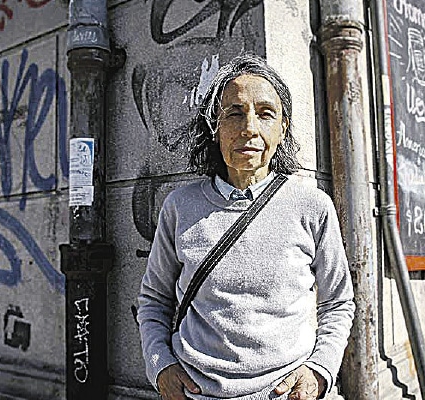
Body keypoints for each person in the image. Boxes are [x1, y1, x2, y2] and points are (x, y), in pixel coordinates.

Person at [137, 54, 355, 400]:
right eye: (234, 113)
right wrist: (160, 366)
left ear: (282, 128)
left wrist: (318, 371)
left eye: (265, 114)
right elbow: (154, 300)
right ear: (215, 126)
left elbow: (338, 302)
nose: (249, 128)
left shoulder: (312, 206)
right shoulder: (179, 207)